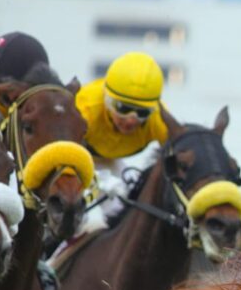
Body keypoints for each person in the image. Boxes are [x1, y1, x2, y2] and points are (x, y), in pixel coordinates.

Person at [73, 51, 181, 230]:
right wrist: (96, 181)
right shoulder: (85, 109)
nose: (131, 120)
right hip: (74, 157)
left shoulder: (159, 120)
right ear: (107, 100)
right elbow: (61, 154)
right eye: (123, 108)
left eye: (142, 113)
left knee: (124, 211)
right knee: (78, 216)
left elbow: (179, 156)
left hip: (110, 162)